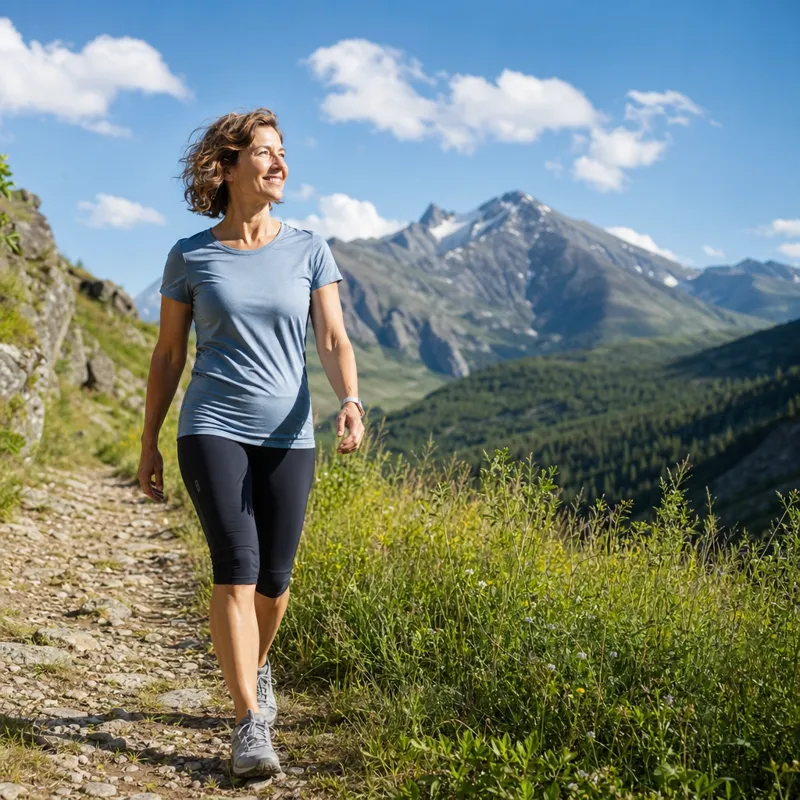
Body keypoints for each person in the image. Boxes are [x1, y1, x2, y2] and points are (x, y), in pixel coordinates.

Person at [137, 107, 365, 778]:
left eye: (283, 152)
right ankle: (248, 723)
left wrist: (349, 398)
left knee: (275, 580)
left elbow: (330, 337)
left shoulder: (309, 247)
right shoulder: (191, 254)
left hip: (290, 433)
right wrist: (149, 439)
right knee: (236, 565)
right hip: (212, 426)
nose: (279, 163)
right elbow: (168, 354)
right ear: (227, 167)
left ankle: (255, 669)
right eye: (264, 152)